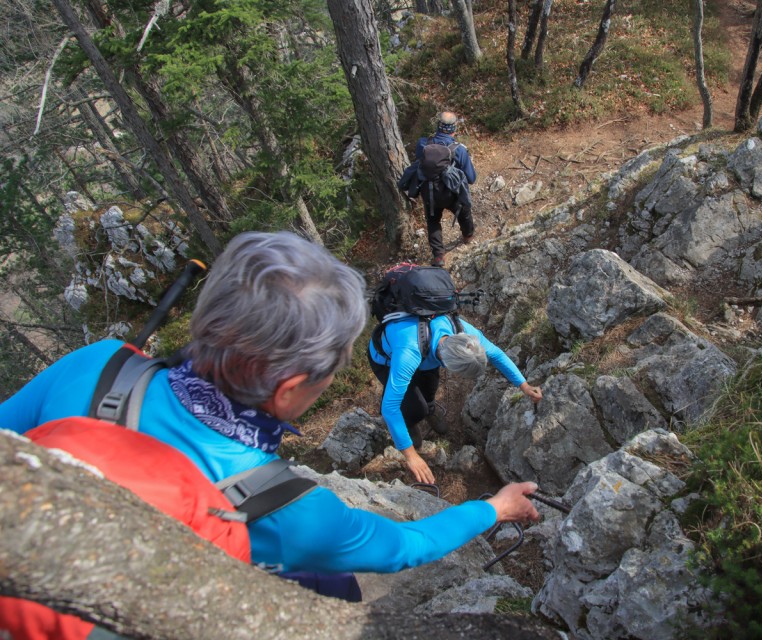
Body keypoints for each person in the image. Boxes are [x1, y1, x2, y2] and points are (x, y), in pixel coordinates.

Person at [0, 232, 539, 594]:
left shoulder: (96, 365)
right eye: (335, 365)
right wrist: (494, 508)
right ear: (289, 391)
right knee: (338, 588)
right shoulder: (287, 511)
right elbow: (405, 546)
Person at [368, 313, 543, 484]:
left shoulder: (463, 333)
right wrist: (411, 455)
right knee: (414, 407)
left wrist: (524, 386)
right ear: (447, 364)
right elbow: (389, 407)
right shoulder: (409, 353)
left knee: (430, 388)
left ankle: (429, 409)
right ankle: (411, 422)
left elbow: (496, 354)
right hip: (387, 359)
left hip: (427, 352)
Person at [415, 111, 477, 267]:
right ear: (454, 128)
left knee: (433, 220)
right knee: (464, 210)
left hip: (429, 192)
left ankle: (438, 256)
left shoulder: (423, 144)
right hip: (451, 193)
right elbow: (471, 178)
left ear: (438, 126)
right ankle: (468, 235)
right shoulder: (459, 150)